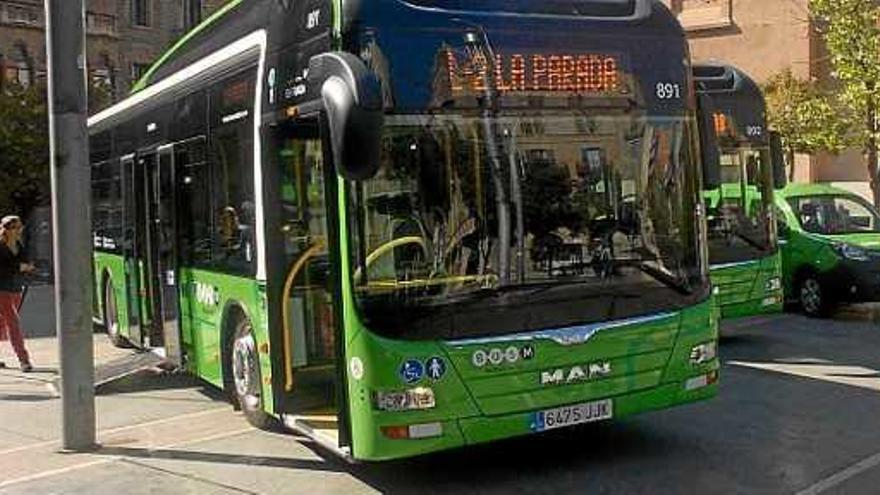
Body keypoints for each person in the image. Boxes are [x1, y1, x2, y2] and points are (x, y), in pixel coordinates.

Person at [0, 215, 35, 371]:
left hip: (16, 289)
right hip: (2, 290)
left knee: (2, 323)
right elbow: (4, 268)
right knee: (13, 323)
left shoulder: (19, 245)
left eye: (20, 227)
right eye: (16, 227)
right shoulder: (1, 247)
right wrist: (19, 267)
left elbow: (25, 262)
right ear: (7, 230)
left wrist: (28, 266)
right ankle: (24, 360)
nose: (19, 230)